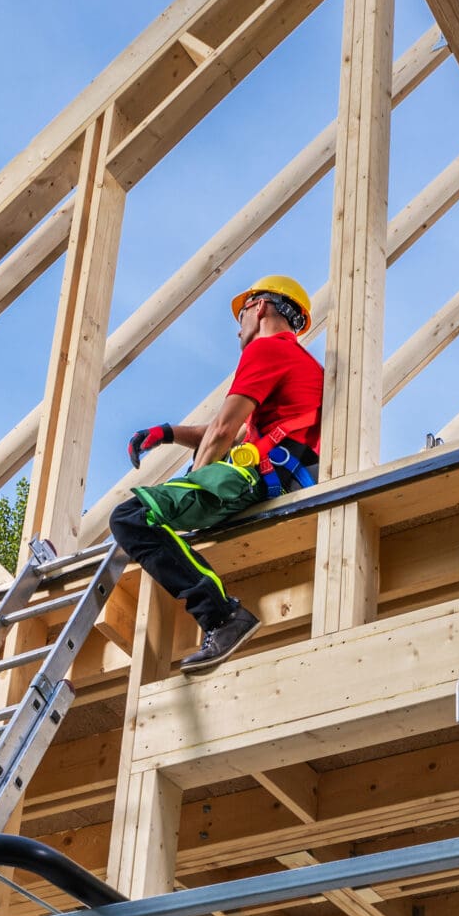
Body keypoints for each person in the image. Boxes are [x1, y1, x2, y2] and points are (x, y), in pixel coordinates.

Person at [115, 275, 324, 672]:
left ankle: (223, 617)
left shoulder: (266, 351)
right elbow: (233, 432)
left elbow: (223, 433)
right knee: (150, 513)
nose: (238, 324)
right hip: (277, 470)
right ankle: (221, 614)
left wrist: (187, 485)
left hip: (256, 477)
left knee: (133, 517)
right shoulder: (297, 362)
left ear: (260, 307)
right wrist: (169, 433)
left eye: (242, 311)